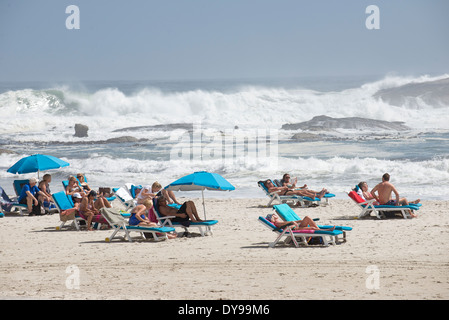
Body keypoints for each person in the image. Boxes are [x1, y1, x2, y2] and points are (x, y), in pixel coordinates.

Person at [266, 212, 335, 231]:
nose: (275, 215)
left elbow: (291, 222)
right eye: (273, 215)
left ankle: (319, 229)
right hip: (295, 229)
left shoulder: (279, 222)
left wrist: (299, 221)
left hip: (296, 226)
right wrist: (293, 222)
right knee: (313, 228)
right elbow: (289, 223)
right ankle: (327, 230)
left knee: (307, 217)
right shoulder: (277, 222)